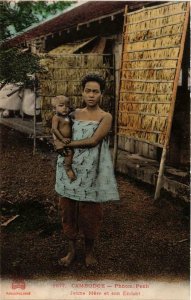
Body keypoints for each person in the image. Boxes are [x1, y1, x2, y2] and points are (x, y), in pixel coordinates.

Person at [55, 74, 120, 267]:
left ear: (101, 94)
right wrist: (57, 142)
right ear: (82, 92)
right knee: (68, 210)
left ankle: (89, 252)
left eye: (96, 91)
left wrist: (68, 143)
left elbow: (93, 141)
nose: (91, 95)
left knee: (91, 212)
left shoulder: (105, 117)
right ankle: (72, 251)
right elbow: (57, 129)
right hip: (70, 168)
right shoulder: (73, 115)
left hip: (92, 170)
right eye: (88, 91)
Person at [51, 95, 76, 182]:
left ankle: (66, 164)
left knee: (71, 153)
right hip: (61, 140)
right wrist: (61, 139)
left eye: (67, 106)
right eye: (61, 106)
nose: (65, 108)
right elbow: (54, 129)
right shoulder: (56, 117)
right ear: (54, 109)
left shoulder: (68, 117)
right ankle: (67, 167)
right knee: (69, 153)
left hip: (68, 139)